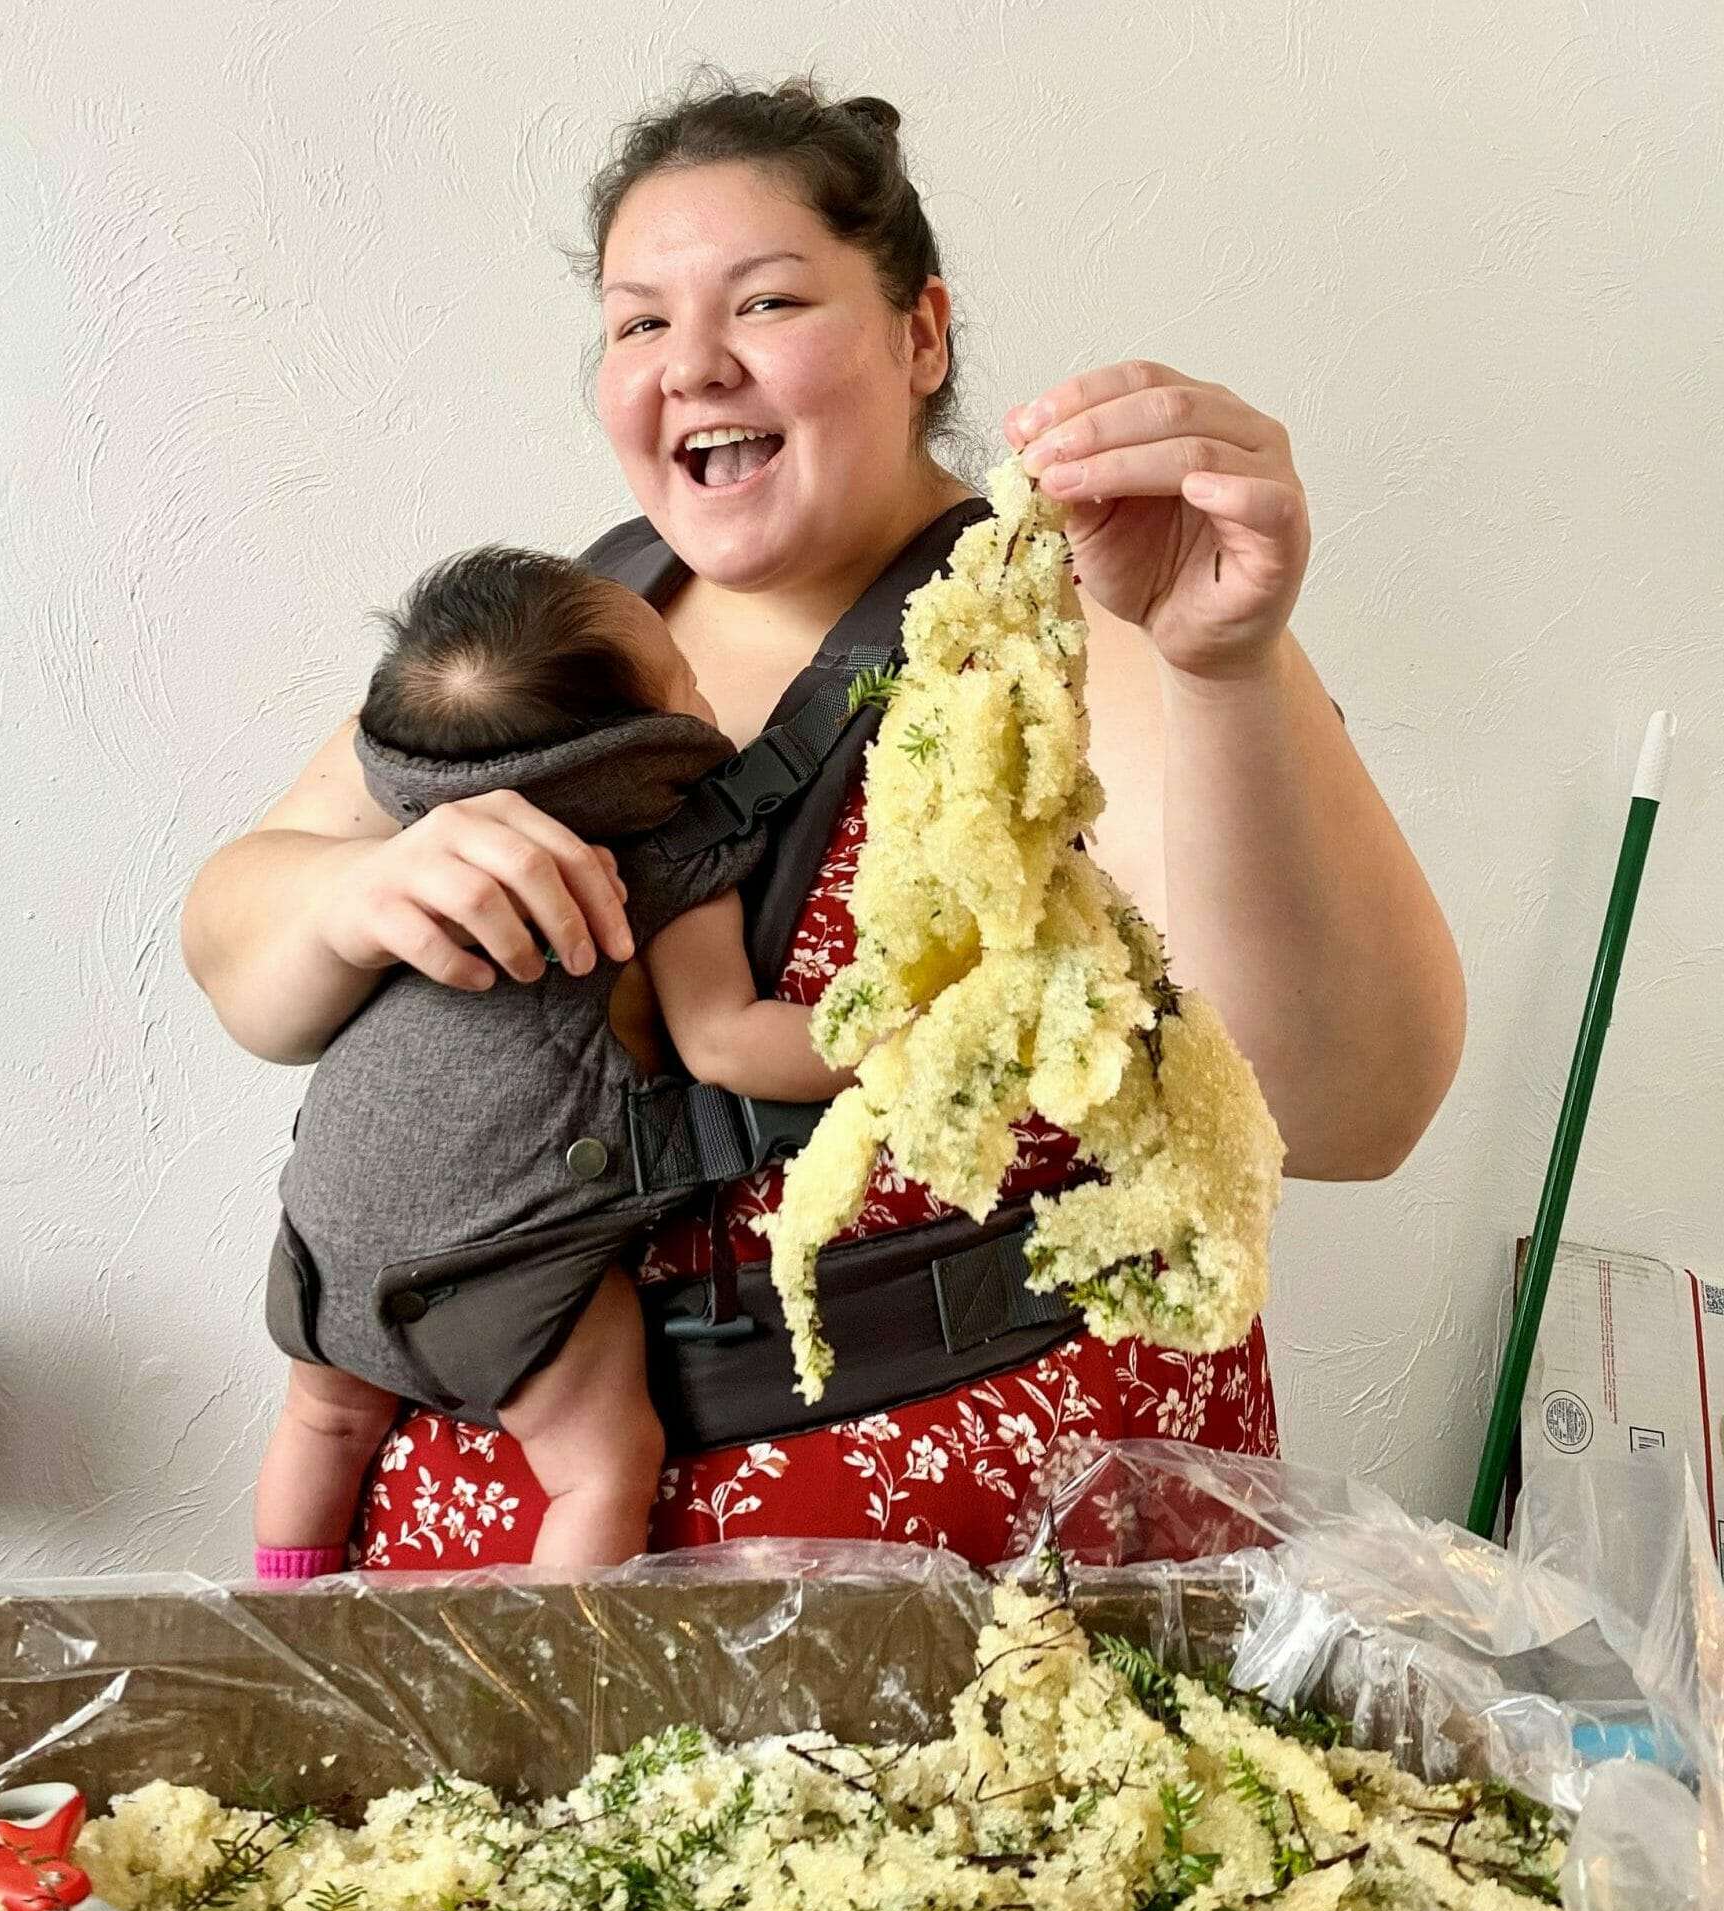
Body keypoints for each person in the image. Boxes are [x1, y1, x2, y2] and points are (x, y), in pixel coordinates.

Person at [182, 75, 1466, 1569]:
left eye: (768, 302)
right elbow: (240, 957)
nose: (692, 364)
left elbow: (1353, 1109)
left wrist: (1226, 666)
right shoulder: (573, 629)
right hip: (495, 1508)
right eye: (638, 322)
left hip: (962, 1559)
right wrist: (352, 896)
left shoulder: (1075, 635)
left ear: (920, 336)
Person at [252, 545, 846, 1577]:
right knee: (601, 1469)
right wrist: (900, 1042)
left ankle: (279, 1612)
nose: (706, 692)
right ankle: (560, 1654)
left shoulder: (419, 846)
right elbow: (726, 1040)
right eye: (685, 681)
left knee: (323, 1422)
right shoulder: (657, 857)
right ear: (637, 749)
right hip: (495, 1278)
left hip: (323, 1245)